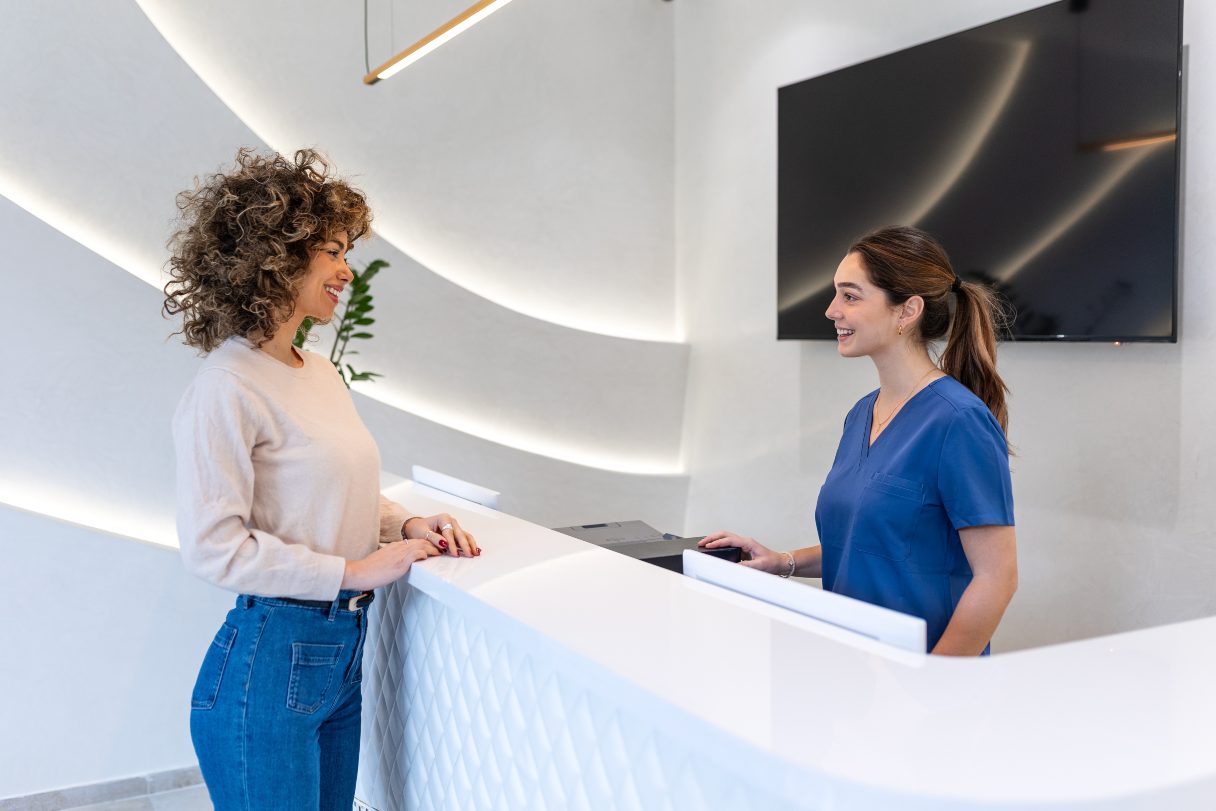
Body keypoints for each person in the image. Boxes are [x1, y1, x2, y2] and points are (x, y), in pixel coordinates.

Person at [164, 148, 480, 809]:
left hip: (340, 651)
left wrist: (406, 524)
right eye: (332, 251)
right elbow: (213, 547)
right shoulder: (226, 385)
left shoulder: (320, 372)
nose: (346, 270)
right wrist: (356, 570)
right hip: (268, 661)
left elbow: (336, 486)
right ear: (276, 256)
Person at [700, 226, 1017, 656]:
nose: (831, 310)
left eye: (850, 296)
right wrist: (783, 562)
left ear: (907, 311)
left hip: (922, 678)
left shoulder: (959, 421)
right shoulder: (861, 415)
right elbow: (864, 546)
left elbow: (997, 579)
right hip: (851, 666)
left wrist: (935, 681)